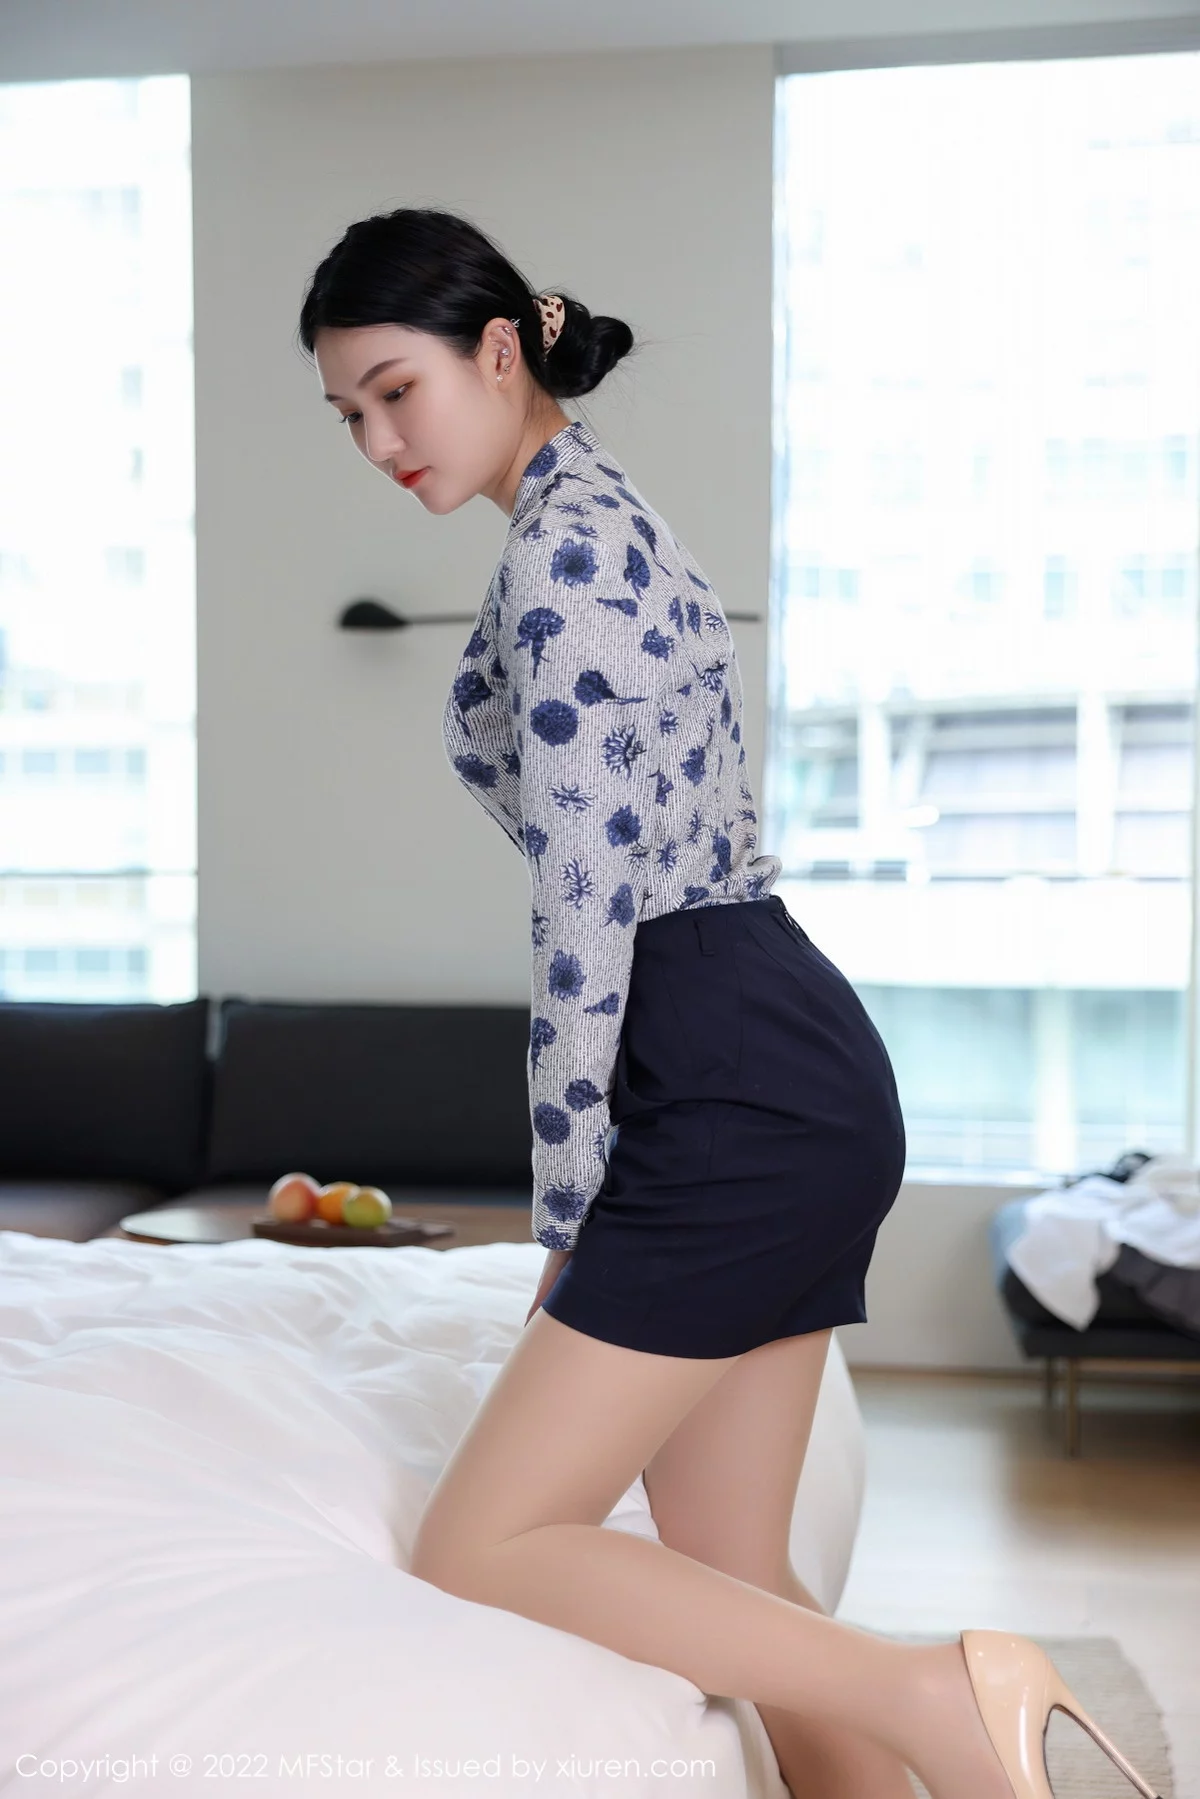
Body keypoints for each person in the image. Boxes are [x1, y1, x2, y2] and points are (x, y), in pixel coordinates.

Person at [296, 206, 1159, 1799]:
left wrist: (568, 1209)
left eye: (396, 390)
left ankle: (943, 1693)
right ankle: (925, 1750)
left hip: (728, 1072)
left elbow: (584, 914)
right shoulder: (596, 509)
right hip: (775, 1050)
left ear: (502, 352)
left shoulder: (563, 559)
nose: (377, 440)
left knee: (484, 1538)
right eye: (348, 412)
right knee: (733, 1561)